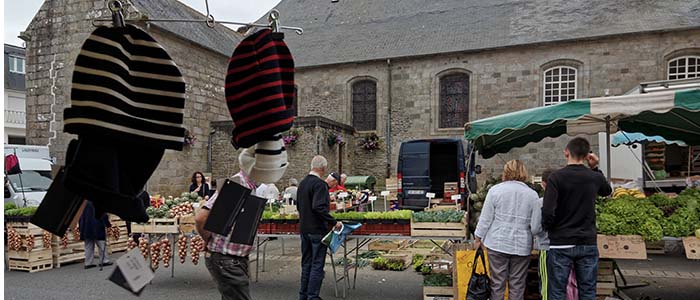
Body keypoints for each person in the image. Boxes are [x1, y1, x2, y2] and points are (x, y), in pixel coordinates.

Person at [542, 137, 612, 300]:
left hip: (561, 242)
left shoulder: (556, 178)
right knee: (587, 290)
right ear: (588, 155)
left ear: (566, 152)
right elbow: (606, 191)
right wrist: (594, 167)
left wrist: (550, 228)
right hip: (587, 240)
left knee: (557, 291)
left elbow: (547, 211)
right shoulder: (594, 177)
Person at [195, 149, 259, 300]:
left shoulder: (249, 185)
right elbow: (201, 218)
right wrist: (208, 240)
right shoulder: (237, 185)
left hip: (232, 259)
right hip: (226, 259)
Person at [474, 160, 541, 300]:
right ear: (524, 172)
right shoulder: (532, 195)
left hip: (497, 243)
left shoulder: (495, 191)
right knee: (517, 285)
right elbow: (535, 225)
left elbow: (486, 218)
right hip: (521, 245)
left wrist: (478, 237)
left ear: (506, 172)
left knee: (497, 284)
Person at [297, 156, 342, 300]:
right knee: (317, 265)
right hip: (317, 230)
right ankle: (312, 296)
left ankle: (303, 295)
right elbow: (319, 207)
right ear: (323, 169)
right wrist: (333, 221)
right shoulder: (320, 185)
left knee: (306, 264)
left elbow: (299, 206)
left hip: (304, 228)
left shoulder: (302, 183)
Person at [79, 201, 113, 269]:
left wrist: (81, 228)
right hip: (97, 226)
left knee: (88, 246)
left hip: (86, 227)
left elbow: (79, 217)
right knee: (101, 245)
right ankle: (104, 261)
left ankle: (88, 263)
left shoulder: (83, 203)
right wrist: (108, 224)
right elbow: (103, 214)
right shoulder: (97, 202)